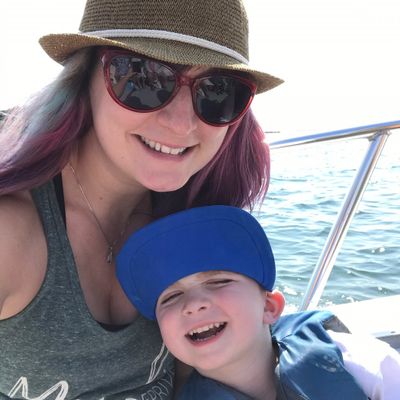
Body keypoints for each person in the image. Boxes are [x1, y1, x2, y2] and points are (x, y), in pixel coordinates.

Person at [0, 0, 284, 398]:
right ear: (84, 78)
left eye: (218, 91)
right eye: (143, 78)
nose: (182, 124)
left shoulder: (195, 215)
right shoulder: (10, 235)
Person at [117, 205, 400, 400]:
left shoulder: (354, 359)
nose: (193, 304)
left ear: (269, 307)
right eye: (171, 297)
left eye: (218, 281)